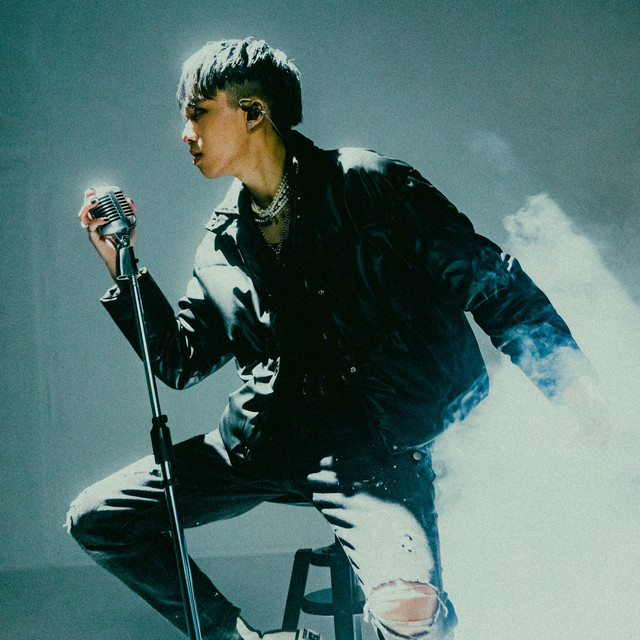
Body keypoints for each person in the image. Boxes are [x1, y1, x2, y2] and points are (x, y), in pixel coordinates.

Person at [69, 37, 605, 640]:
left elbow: (493, 284)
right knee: (97, 517)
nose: (185, 133)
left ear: (253, 112)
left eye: (198, 112)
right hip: (264, 441)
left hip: (372, 448)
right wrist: (124, 270)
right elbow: (181, 361)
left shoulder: (366, 184)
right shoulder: (220, 243)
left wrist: (572, 386)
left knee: (409, 612)